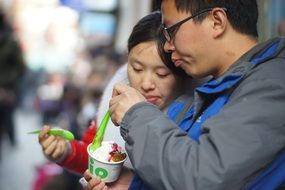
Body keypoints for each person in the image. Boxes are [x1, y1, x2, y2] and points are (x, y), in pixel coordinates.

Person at [105, 0, 285, 189]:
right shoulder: (218, 87)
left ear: (216, 21)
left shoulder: (272, 85)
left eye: (170, 30)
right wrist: (133, 183)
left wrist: (136, 115)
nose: (167, 46)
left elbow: (202, 177)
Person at [39, 11, 197, 189]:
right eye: (137, 69)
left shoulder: (195, 116)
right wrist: (66, 151)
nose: (145, 84)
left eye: (162, 74)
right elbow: (93, 155)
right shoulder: (116, 96)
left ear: (182, 70)